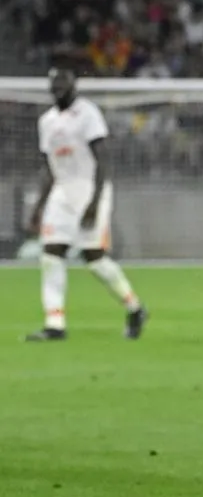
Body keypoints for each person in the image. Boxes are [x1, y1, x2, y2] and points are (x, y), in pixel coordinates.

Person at [26, 68, 148, 342]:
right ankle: (54, 324)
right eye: (55, 86)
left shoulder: (88, 113)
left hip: (89, 188)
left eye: (64, 85)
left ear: (74, 87)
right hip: (62, 191)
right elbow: (49, 168)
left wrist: (95, 201)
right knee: (50, 254)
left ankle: (135, 307)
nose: (59, 90)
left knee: (93, 259)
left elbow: (102, 159)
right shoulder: (46, 121)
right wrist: (38, 206)